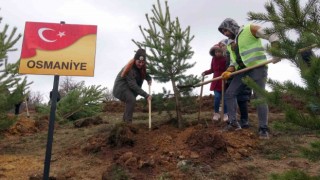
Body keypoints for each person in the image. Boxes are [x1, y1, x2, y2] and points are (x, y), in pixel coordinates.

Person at [218, 18, 280, 139]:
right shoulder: (230, 44)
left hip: (258, 68)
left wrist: (276, 51)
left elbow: (272, 34)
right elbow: (234, 62)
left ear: (232, 26)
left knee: (259, 97)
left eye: (226, 30)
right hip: (242, 71)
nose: (225, 33)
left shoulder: (250, 29)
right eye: (223, 32)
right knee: (230, 94)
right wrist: (228, 70)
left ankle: (263, 128)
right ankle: (233, 123)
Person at [113, 48, 152, 124]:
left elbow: (143, 73)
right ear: (135, 59)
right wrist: (146, 95)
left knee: (131, 99)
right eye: (139, 62)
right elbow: (133, 85)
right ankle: (128, 124)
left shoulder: (140, 68)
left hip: (128, 88)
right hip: (120, 88)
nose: (140, 64)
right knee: (131, 99)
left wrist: (148, 78)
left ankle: (124, 123)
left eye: (142, 62)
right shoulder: (130, 69)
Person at [221, 39, 252, 129]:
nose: (222, 48)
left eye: (223, 45)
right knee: (235, 100)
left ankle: (244, 121)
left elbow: (238, 65)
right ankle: (233, 121)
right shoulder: (227, 56)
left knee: (242, 100)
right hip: (233, 80)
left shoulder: (233, 53)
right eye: (221, 46)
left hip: (242, 78)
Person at [202, 43, 228, 122]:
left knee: (225, 99)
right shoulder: (213, 59)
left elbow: (228, 68)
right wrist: (205, 72)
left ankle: (225, 114)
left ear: (222, 52)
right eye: (216, 52)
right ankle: (216, 113)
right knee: (217, 97)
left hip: (224, 80)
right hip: (216, 81)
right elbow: (212, 70)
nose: (217, 53)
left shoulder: (226, 58)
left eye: (219, 52)